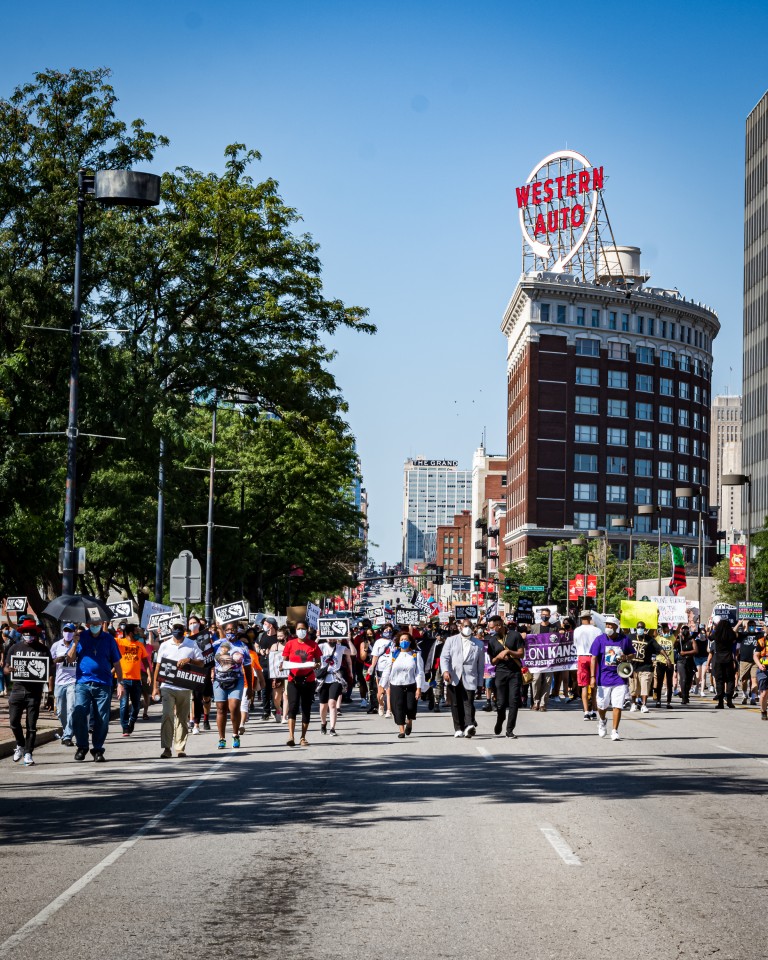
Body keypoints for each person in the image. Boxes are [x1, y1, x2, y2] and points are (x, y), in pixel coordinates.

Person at [67, 620, 124, 762]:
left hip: (103, 684)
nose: (94, 625)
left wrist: (120, 683)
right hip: (83, 683)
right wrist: (74, 643)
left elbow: (117, 663)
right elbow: (69, 659)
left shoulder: (109, 639)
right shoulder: (81, 637)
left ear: (102, 623)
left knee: (102, 718)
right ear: (87, 624)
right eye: (92, 623)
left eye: (97, 622)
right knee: (79, 714)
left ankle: (97, 749)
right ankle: (82, 746)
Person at [4, 618, 54, 765]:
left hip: (35, 693)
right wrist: (9, 670)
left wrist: (50, 694)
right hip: (17, 691)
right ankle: (20, 744)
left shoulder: (43, 649)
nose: (28, 634)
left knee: (31, 726)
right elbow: (6, 668)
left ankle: (28, 753)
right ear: (21, 633)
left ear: (36, 634)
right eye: (25, 632)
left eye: (31, 632)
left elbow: (50, 671)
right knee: (14, 722)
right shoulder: (15, 648)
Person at [152, 624, 203, 758]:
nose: (178, 636)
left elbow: (202, 663)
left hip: (185, 687)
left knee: (182, 717)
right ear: (172, 633)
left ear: (184, 633)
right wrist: (155, 687)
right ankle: (167, 748)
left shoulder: (191, 644)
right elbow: (158, 666)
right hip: (167, 686)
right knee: (167, 715)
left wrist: (189, 660)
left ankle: (180, 747)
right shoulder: (165, 645)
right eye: (175, 633)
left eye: (180, 633)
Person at [590, 615, 633, 741]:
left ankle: (615, 730)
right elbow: (593, 658)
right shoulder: (599, 640)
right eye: (606, 625)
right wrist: (592, 677)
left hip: (619, 677)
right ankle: (602, 720)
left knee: (617, 705)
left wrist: (625, 657)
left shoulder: (624, 640)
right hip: (603, 678)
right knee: (602, 706)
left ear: (616, 627)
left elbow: (632, 654)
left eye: (610, 625)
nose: (608, 627)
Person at [440, 619, 485, 738]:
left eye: (470, 626)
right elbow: (444, 657)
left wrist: (480, 683)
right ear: (460, 627)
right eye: (465, 626)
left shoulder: (479, 644)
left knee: (468, 701)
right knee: (455, 703)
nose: (467, 628)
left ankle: (469, 725)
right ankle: (458, 728)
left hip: (470, 677)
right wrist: (445, 671)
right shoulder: (451, 640)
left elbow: (480, 666)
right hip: (453, 676)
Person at [281, 621, 322, 747]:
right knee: (292, 707)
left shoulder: (313, 645)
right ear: (295, 630)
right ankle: (291, 736)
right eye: (299, 629)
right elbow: (284, 661)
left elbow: (319, 662)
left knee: (306, 708)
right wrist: (282, 666)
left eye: (303, 628)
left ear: (307, 630)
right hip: (293, 680)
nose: (301, 631)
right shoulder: (290, 644)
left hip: (308, 680)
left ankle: (303, 737)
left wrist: (316, 665)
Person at [211, 629, 253, 750]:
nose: (230, 632)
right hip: (219, 680)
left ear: (237, 631)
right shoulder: (217, 644)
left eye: (233, 630)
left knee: (234, 707)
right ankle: (222, 738)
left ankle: (235, 735)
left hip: (237, 679)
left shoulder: (242, 646)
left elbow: (248, 667)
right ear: (225, 631)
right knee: (221, 709)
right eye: (228, 630)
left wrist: (249, 687)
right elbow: (206, 656)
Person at [381, 631, 425, 738]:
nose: (404, 641)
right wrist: (382, 686)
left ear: (410, 642)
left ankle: (409, 722)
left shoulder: (415, 655)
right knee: (398, 707)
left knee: (410, 707)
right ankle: (401, 730)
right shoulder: (394, 655)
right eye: (401, 640)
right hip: (396, 685)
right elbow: (387, 671)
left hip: (410, 685)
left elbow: (419, 672)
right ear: (398, 642)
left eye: (406, 640)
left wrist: (419, 688)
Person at [487, 620, 524, 738]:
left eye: (493, 627)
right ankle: (500, 718)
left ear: (499, 625)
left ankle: (509, 730)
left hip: (514, 673)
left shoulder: (515, 635)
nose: (492, 630)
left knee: (513, 701)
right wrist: (498, 656)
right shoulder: (492, 640)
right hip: (501, 673)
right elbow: (492, 661)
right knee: (501, 703)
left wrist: (508, 651)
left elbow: (521, 654)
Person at [116, 622, 150, 736]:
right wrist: (105, 623)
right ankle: (125, 727)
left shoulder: (140, 645)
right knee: (124, 704)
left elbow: (145, 661)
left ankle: (132, 721)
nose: (138, 633)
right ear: (130, 633)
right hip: (123, 679)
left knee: (136, 706)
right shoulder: (120, 642)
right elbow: (106, 635)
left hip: (136, 680)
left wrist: (149, 675)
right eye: (136, 632)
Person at [318, 632, 353, 736]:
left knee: (332, 703)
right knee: (323, 706)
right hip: (323, 679)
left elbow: (353, 652)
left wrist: (349, 640)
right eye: (329, 638)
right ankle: (323, 723)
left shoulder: (340, 648)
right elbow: (310, 650)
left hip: (336, 678)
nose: (332, 640)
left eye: (334, 638)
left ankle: (332, 728)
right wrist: (317, 638)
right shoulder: (321, 646)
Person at [50, 621, 78, 746]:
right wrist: (57, 660)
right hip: (59, 682)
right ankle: (68, 730)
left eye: (70, 631)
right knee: (61, 712)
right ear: (62, 632)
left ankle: (67, 736)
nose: (68, 633)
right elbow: (49, 662)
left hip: (73, 681)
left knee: (71, 708)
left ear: (74, 633)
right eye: (66, 630)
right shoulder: (56, 645)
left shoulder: (78, 645)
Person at [573, 611, 600, 720]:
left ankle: (586, 711)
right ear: (590, 618)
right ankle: (594, 710)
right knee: (594, 686)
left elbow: (575, 644)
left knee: (584, 686)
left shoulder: (577, 630)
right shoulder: (597, 630)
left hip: (582, 657)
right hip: (594, 657)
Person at [709, 619, 737, 709]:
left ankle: (720, 702)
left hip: (718, 659)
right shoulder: (730, 634)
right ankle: (729, 699)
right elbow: (735, 636)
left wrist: (710, 628)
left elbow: (709, 637)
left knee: (719, 680)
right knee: (730, 680)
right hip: (728, 659)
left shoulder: (716, 633)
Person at [628, 621, 655, 714]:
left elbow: (659, 648)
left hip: (645, 667)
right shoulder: (630, 637)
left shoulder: (649, 639)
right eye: (639, 627)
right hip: (633, 668)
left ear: (645, 629)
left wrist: (667, 658)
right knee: (633, 688)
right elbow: (624, 630)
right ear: (636, 628)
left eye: (642, 627)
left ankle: (644, 705)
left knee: (645, 687)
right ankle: (634, 704)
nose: (640, 629)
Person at [530, 608, 555, 712]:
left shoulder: (553, 628)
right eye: (543, 614)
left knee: (547, 681)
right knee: (536, 679)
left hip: (549, 659)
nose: (545, 616)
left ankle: (543, 703)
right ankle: (536, 701)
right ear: (541, 615)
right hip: (537, 659)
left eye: (547, 615)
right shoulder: (534, 627)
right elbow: (529, 641)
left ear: (549, 616)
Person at [369, 625, 395, 717]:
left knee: (389, 690)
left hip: (390, 668)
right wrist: (372, 666)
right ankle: (381, 704)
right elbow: (375, 655)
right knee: (380, 691)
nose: (388, 631)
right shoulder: (378, 642)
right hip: (380, 667)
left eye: (390, 630)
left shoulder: (394, 642)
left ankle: (389, 710)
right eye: (386, 630)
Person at [257, 618, 279, 720]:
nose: (264, 626)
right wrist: (259, 650)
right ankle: (266, 711)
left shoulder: (278, 636)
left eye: (265, 624)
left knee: (275, 689)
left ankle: (275, 710)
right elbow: (256, 645)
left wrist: (273, 650)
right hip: (263, 666)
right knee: (265, 690)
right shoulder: (262, 635)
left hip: (275, 667)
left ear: (271, 625)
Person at [269, 626, 290, 724]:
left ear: (285, 636)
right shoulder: (274, 646)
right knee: (276, 697)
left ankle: (284, 716)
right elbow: (271, 660)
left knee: (286, 695)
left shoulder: (289, 645)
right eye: (278, 636)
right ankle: (279, 710)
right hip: (277, 673)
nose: (279, 638)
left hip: (288, 673)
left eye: (281, 636)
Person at [737, 620, 759, 705]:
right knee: (744, 681)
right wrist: (739, 624)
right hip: (744, 661)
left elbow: (766, 633)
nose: (752, 627)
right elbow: (734, 632)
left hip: (755, 661)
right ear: (747, 626)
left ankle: (753, 697)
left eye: (753, 625)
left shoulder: (758, 635)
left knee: (754, 680)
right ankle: (745, 694)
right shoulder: (743, 635)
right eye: (750, 625)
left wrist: (763, 624)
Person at [654, 626, 676, 709]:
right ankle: (658, 701)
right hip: (660, 662)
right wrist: (657, 616)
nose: (666, 633)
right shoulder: (658, 638)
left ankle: (668, 702)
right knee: (659, 683)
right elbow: (654, 629)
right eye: (665, 631)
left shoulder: (671, 638)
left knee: (669, 683)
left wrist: (682, 620)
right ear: (662, 631)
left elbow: (677, 630)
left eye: (668, 632)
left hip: (670, 663)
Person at [676, 625, 697, 705]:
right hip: (681, 661)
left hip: (690, 661)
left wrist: (685, 653)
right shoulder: (679, 640)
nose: (685, 631)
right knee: (683, 678)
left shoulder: (692, 640)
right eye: (683, 629)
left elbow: (696, 650)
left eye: (686, 629)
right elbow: (673, 645)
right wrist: (677, 637)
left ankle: (686, 693)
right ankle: (684, 697)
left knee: (689, 679)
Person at [753, 626, 768, 721]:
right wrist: (759, 665)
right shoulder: (762, 641)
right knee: (764, 693)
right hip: (764, 669)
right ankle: (763, 711)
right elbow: (755, 656)